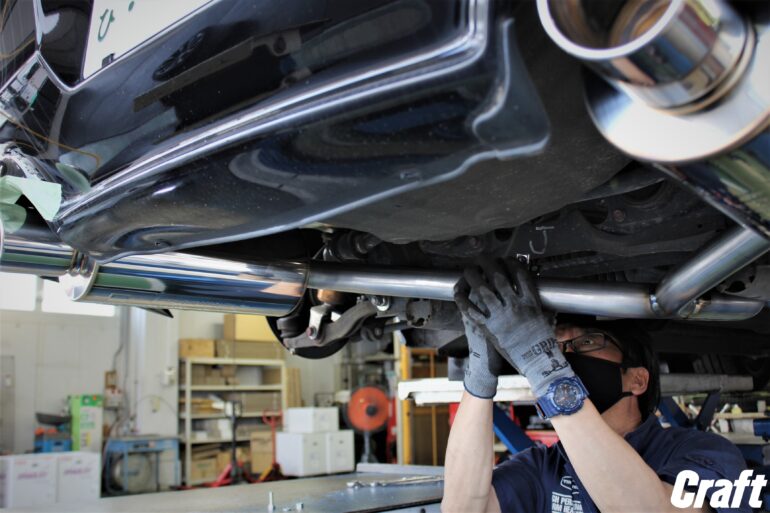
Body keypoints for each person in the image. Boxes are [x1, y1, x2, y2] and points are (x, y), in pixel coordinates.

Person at [442, 259, 752, 513]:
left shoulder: (708, 453)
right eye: (555, 348)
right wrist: (480, 375)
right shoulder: (545, 466)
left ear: (637, 379)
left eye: (587, 341)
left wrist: (543, 367)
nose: (563, 359)